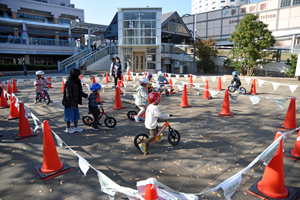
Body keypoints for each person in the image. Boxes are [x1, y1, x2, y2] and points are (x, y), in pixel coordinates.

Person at [62, 68, 88, 134]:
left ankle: (76, 127)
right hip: (69, 103)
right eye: (79, 74)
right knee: (69, 116)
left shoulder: (77, 81)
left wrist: (86, 96)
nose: (80, 75)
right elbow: (68, 95)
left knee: (76, 115)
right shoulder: (69, 82)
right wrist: (72, 104)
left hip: (75, 102)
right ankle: (68, 128)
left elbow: (80, 91)